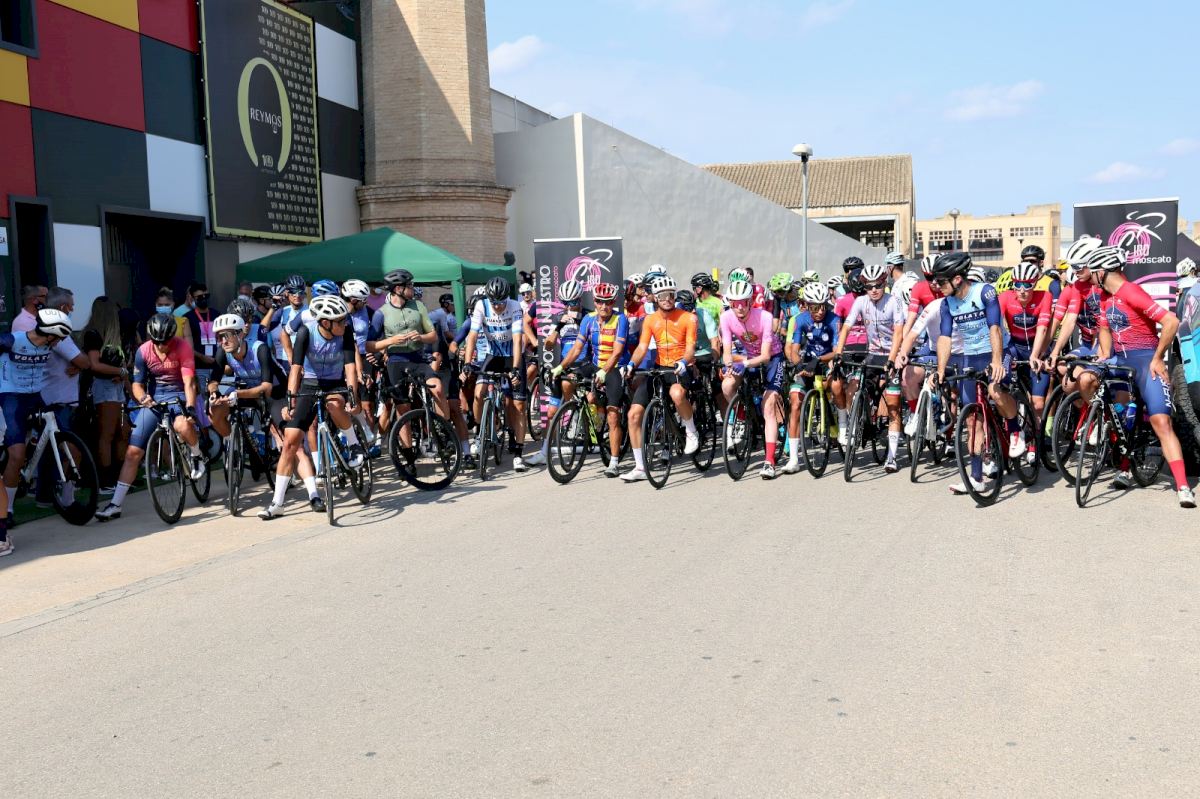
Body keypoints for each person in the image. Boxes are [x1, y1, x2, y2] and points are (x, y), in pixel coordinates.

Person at [1079, 246, 1194, 507]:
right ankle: (1120, 455)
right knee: (1090, 385)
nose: (1089, 277)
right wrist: (1104, 354)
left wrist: (1158, 358)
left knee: (1161, 422)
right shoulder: (1104, 296)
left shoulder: (1131, 292)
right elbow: (1104, 328)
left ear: (1101, 272)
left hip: (1144, 360)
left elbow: (1171, 322)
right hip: (1120, 360)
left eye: (1092, 272)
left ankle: (1182, 486)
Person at [257, 295, 363, 519]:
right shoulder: (306, 332)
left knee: (334, 405)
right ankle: (277, 503)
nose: (345, 323)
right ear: (325, 322)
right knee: (290, 441)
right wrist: (291, 400)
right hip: (310, 383)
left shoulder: (345, 333)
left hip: (335, 383)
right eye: (340, 320)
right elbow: (295, 369)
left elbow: (350, 368)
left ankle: (353, 443)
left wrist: (353, 397)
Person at [95, 313, 205, 522]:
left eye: (165, 341)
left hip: (179, 394)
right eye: (157, 341)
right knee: (133, 453)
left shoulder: (182, 347)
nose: (161, 346)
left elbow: (189, 382)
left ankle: (197, 455)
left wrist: (190, 408)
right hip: (155, 399)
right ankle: (115, 504)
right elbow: (137, 384)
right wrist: (142, 398)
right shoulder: (143, 351)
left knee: (182, 425)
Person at [931, 253, 1023, 496]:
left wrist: (996, 361)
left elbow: (995, 328)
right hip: (971, 356)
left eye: (941, 281)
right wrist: (940, 370)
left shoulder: (985, 292)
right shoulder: (946, 303)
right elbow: (944, 338)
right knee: (972, 419)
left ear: (957, 279)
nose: (937, 286)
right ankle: (976, 478)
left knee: (995, 390)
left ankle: (1016, 429)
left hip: (999, 349)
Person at [0, 309, 88, 550]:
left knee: (63, 438)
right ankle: (8, 510)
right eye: (60, 337)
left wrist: (76, 367)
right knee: (16, 454)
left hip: (36, 396)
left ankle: (64, 496)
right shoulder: (12, 340)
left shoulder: (49, 345)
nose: (61, 342)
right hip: (11, 397)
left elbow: (77, 360)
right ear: (50, 334)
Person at [620, 274, 699, 482]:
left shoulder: (688, 317)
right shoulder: (650, 319)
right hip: (659, 367)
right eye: (663, 295)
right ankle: (640, 467)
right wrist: (631, 364)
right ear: (655, 297)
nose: (668, 299)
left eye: (671, 295)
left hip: (681, 366)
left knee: (677, 393)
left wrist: (684, 362)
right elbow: (642, 347)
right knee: (633, 415)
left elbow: (691, 347)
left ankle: (691, 431)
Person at [831, 263, 906, 473]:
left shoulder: (894, 301)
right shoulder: (861, 302)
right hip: (872, 353)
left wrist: (892, 359)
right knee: (853, 386)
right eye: (869, 286)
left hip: (891, 354)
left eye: (878, 285)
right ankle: (858, 419)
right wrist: (838, 353)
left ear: (884, 283)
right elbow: (846, 326)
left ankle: (891, 457)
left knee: (893, 405)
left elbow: (899, 333)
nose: (873, 290)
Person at [464, 276, 543, 470]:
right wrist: (467, 363)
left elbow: (517, 339)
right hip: (493, 355)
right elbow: (472, 336)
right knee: (478, 393)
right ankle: (479, 435)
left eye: (501, 302)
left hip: (512, 355)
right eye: (494, 303)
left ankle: (518, 453)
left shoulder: (515, 306)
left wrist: (515, 368)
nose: (498, 307)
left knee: (518, 405)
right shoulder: (481, 306)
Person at [554, 282, 630, 476]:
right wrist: (561, 366)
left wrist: (604, 371)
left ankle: (614, 462)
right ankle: (584, 417)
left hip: (615, 367)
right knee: (569, 380)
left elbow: (617, 352)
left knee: (613, 415)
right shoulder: (588, 319)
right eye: (600, 302)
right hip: (595, 365)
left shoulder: (620, 319)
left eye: (608, 302)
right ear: (594, 302)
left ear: (613, 302)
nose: (604, 306)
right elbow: (577, 349)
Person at [720, 280, 786, 478]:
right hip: (748, 358)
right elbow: (726, 351)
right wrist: (728, 365)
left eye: (743, 302)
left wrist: (744, 364)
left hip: (772, 358)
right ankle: (742, 417)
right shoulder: (726, 317)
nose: (739, 307)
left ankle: (769, 462)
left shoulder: (764, 317)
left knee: (768, 407)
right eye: (735, 303)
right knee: (727, 385)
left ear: (750, 302)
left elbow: (765, 356)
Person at [784, 281, 840, 473]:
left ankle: (836, 417)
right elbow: (793, 350)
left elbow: (836, 351)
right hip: (806, 364)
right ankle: (793, 459)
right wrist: (799, 364)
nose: (820, 311)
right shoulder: (800, 320)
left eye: (823, 306)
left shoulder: (833, 319)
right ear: (807, 306)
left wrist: (819, 360)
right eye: (815, 307)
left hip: (825, 362)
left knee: (833, 385)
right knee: (795, 402)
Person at [83, 296, 132, 493]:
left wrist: (123, 376)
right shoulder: (93, 335)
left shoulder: (114, 335)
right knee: (108, 433)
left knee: (123, 431)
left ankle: (121, 477)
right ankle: (105, 480)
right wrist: (120, 372)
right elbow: (94, 365)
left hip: (117, 387)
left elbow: (121, 365)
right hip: (103, 387)